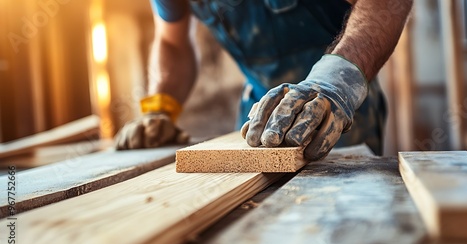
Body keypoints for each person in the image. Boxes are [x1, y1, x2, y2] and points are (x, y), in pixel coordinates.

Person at [115, 0, 413, 160]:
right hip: (257, 114)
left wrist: (335, 83)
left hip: (337, 107)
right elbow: (171, 42)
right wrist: (160, 107)